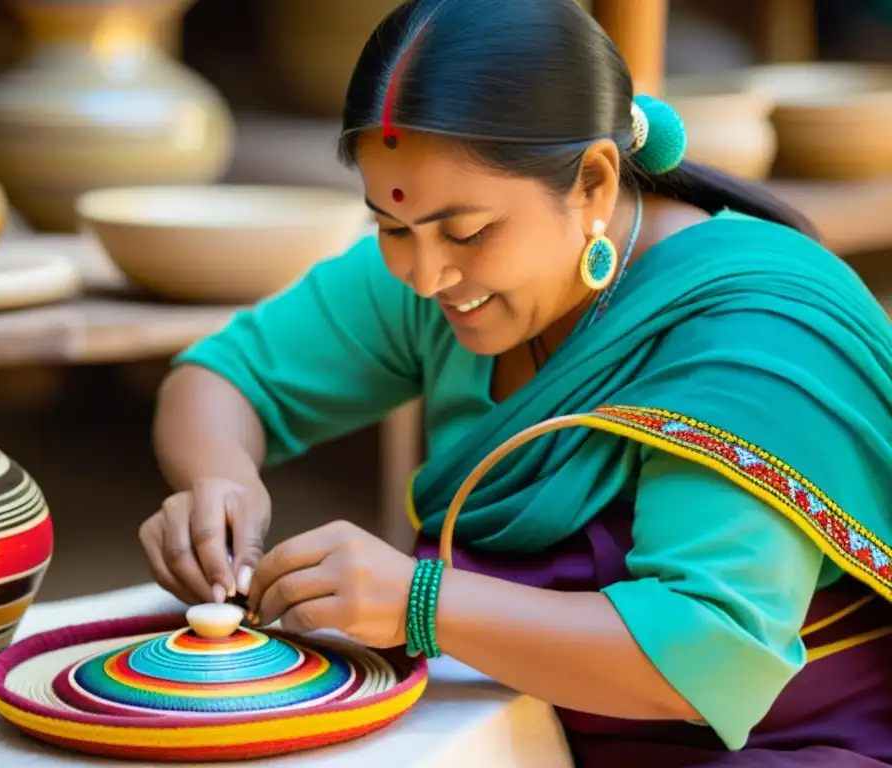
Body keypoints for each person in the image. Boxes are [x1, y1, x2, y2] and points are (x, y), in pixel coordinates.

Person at [139, 0, 892, 764]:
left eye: (467, 233)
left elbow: (707, 654)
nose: (427, 273)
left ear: (595, 183)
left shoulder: (748, 334)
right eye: (391, 228)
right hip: (526, 731)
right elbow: (220, 377)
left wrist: (418, 602)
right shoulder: (439, 270)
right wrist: (221, 484)